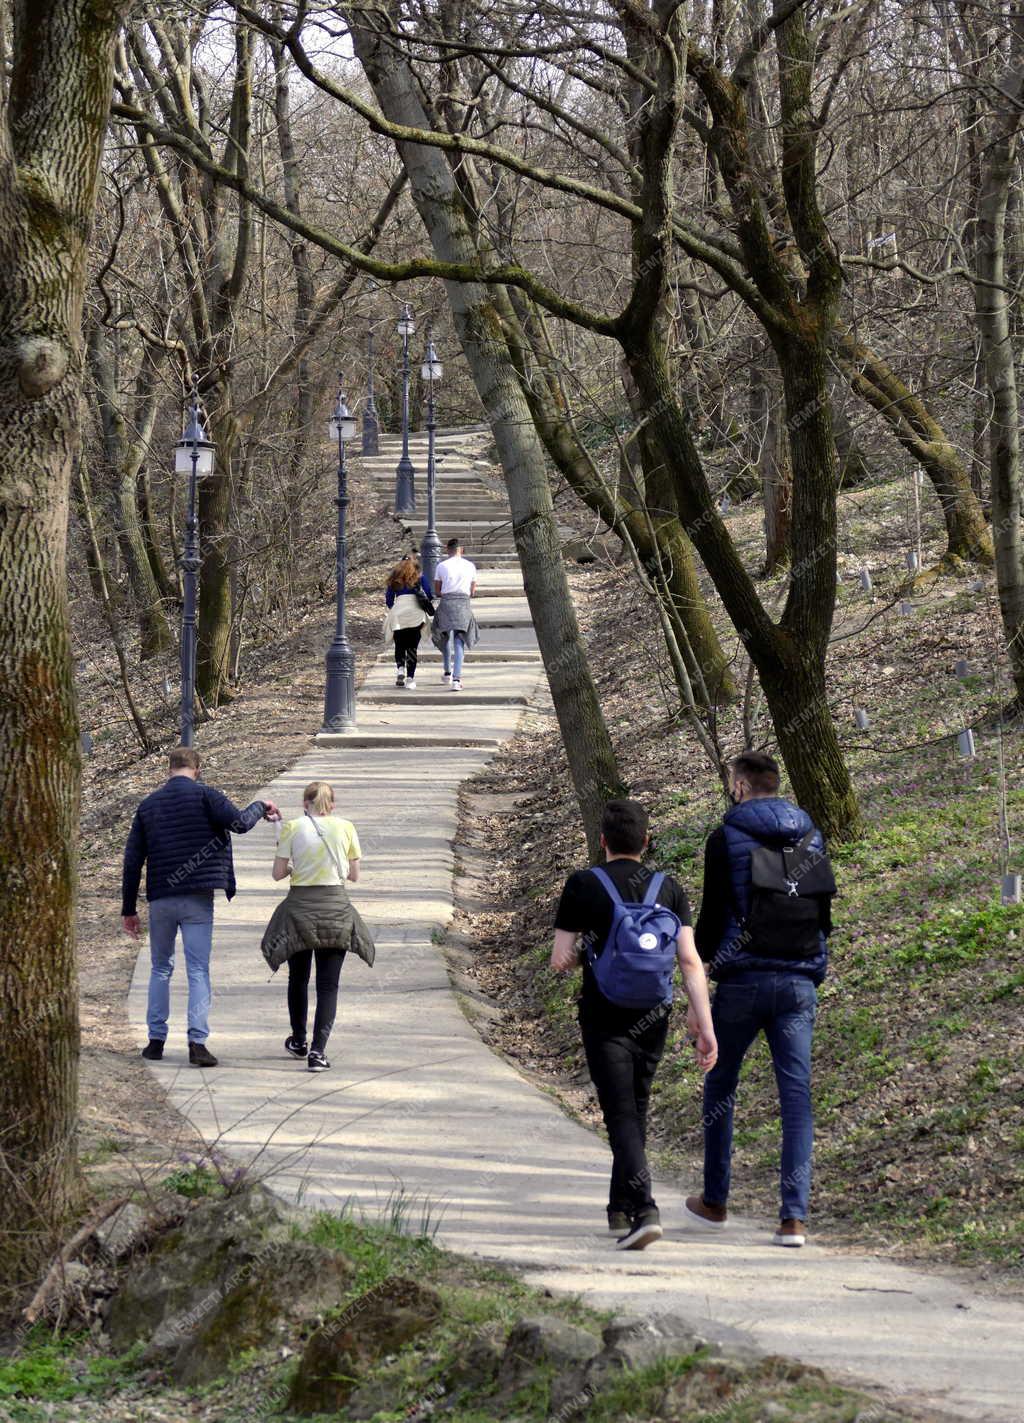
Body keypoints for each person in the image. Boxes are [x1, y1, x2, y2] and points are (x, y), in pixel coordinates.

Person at [551, 799, 717, 1250]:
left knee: (620, 1112)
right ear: (647, 841)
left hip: (603, 1015)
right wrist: (705, 1025)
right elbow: (689, 961)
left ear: (602, 841)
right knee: (634, 1109)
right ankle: (619, 1206)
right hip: (654, 1014)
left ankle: (644, 1209)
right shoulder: (670, 889)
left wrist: (577, 954)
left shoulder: (583, 884)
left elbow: (558, 960)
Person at [686, 751, 834, 1249]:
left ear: (743, 787)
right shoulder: (812, 834)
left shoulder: (724, 837)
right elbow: (823, 913)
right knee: (797, 1099)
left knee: (720, 1085)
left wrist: (700, 974)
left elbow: (710, 919)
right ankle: (794, 1219)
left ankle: (715, 1201)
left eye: (733, 782)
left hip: (742, 983)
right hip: (797, 985)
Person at [121, 746, 280, 1067]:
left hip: (161, 898)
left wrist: (128, 909)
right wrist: (260, 805)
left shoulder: (148, 806)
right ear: (197, 769)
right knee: (197, 970)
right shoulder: (208, 796)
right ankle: (197, 1043)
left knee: (161, 968)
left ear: (170, 769)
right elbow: (239, 823)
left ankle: (155, 1041)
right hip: (197, 898)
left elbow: (132, 860)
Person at [260, 781, 374, 1072]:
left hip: (300, 911)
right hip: (335, 909)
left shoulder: (293, 827)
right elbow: (354, 875)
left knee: (298, 979)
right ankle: (318, 1052)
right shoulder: (346, 827)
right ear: (332, 805)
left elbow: (277, 874)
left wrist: (295, 865)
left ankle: (298, 1041)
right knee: (328, 986)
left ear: (304, 804)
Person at [432, 537, 479, 691]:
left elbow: (437, 590)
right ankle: (457, 679)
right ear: (461, 550)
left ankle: (447, 673)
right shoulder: (470, 566)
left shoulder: (441, 566)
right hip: (463, 604)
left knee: (444, 637)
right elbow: (473, 591)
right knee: (459, 640)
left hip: (446, 603)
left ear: (447, 550)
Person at [384, 554, 433, 690]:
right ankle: (410, 678)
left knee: (399, 644)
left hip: (399, 613)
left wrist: (395, 608)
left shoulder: (395, 579)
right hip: (416, 614)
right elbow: (428, 595)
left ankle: (400, 669)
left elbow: (388, 600)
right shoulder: (420, 577)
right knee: (412, 648)